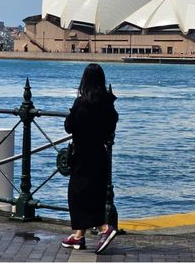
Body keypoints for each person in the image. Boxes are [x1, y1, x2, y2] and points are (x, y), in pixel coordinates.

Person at [61, 64, 119, 254]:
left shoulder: (82, 103)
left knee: (76, 194)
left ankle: (104, 228)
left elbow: (69, 126)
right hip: (100, 154)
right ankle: (78, 237)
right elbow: (111, 127)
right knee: (94, 193)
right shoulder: (108, 103)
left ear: (84, 80)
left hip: (83, 154)